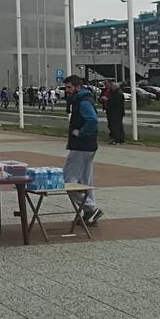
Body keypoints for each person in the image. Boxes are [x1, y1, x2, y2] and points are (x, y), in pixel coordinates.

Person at [63, 75, 102, 225]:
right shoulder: (83, 100)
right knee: (85, 181)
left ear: (78, 87)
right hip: (88, 146)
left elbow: (92, 119)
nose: (67, 91)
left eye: (69, 87)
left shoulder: (83, 101)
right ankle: (89, 213)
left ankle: (91, 208)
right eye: (66, 88)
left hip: (81, 147)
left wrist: (81, 133)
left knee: (68, 181)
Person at [106, 80, 126, 145]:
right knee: (119, 126)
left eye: (112, 87)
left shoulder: (118, 93)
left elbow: (115, 103)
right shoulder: (117, 93)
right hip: (118, 112)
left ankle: (116, 139)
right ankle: (120, 139)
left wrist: (107, 100)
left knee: (116, 126)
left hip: (116, 112)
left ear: (115, 87)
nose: (111, 88)